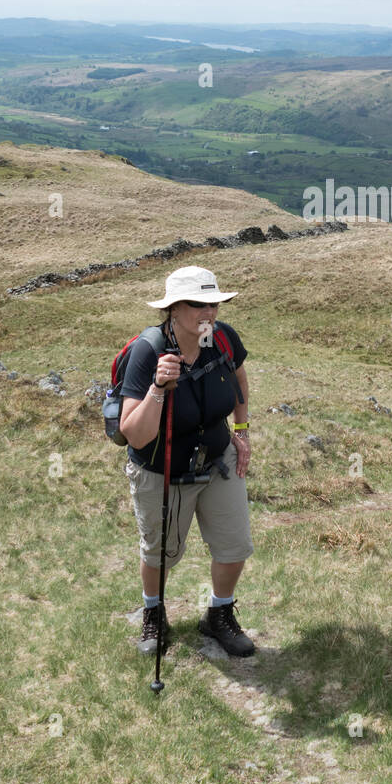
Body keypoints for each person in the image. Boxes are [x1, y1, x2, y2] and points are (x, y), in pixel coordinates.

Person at [119, 265, 255, 657]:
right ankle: (153, 611)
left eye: (213, 303)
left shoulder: (224, 338)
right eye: (198, 304)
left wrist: (241, 431)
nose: (208, 312)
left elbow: (240, 380)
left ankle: (219, 613)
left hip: (217, 459)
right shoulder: (148, 351)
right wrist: (159, 387)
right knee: (160, 553)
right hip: (161, 469)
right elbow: (136, 434)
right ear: (173, 309)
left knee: (234, 547)